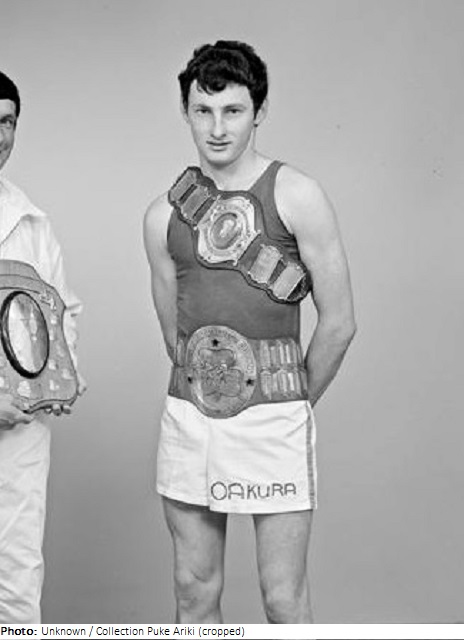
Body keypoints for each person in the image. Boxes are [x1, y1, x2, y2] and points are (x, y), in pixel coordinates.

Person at [144, 41, 356, 623]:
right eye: (203, 111)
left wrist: (290, 402)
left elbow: (340, 322)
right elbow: (175, 337)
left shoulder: (297, 195)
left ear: (259, 111)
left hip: (274, 418)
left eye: (233, 111)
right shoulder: (161, 217)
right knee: (193, 590)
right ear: (186, 112)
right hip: (191, 417)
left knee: (282, 597)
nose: (217, 128)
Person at [0, 70, 83, 623]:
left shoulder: (30, 221)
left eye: (7, 122)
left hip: (20, 429)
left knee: (17, 573)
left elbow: (61, 310)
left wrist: (56, 378)